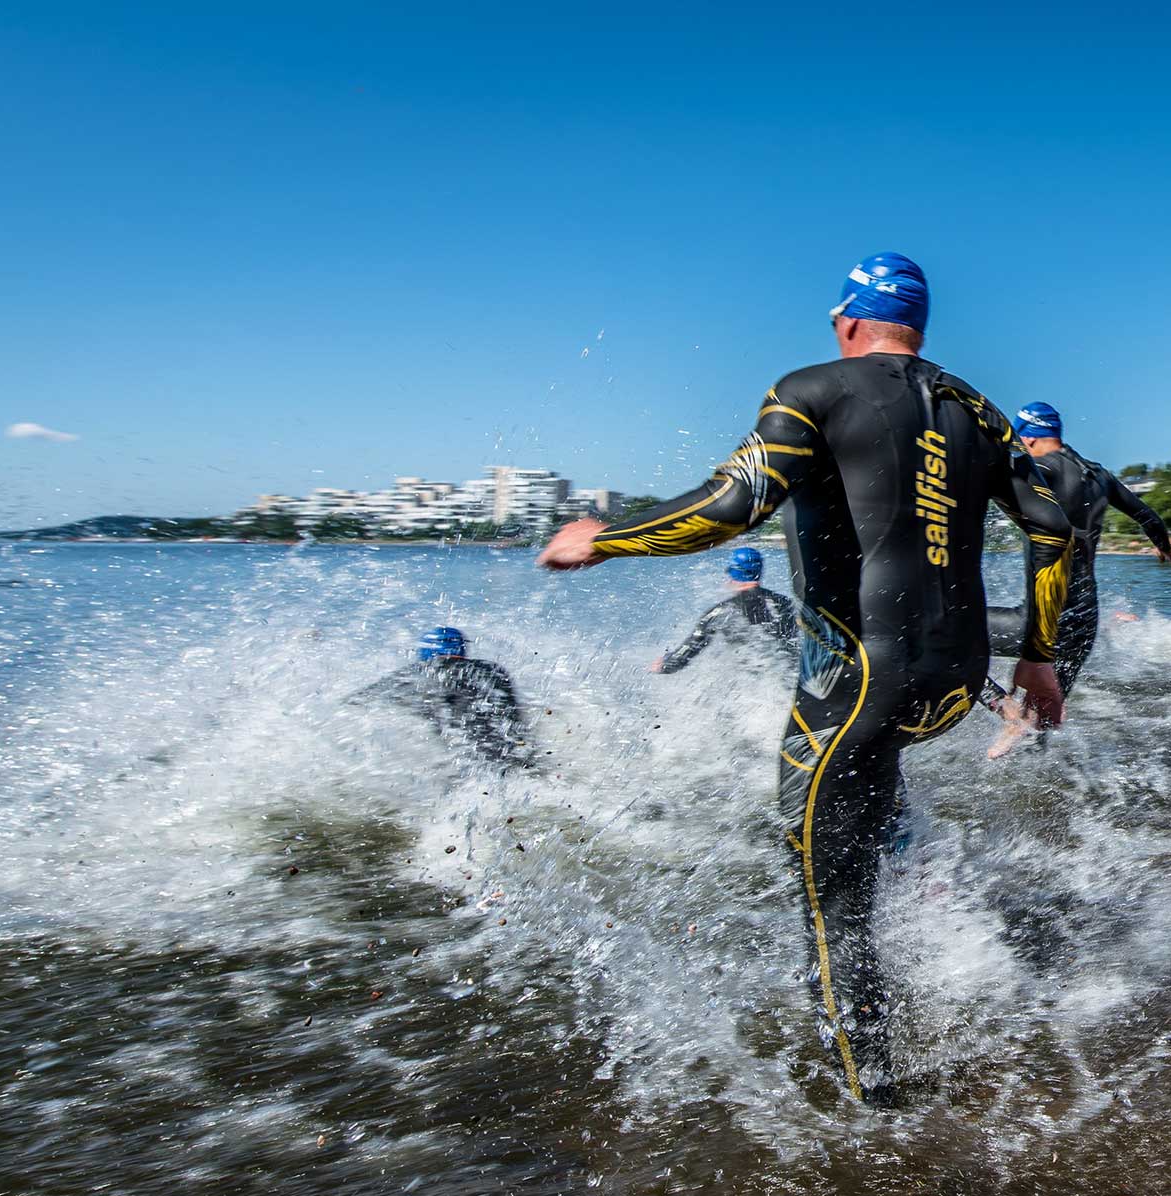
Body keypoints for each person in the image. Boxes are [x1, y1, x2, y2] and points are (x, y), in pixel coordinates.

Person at [535, 252, 1074, 1104]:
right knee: (876, 790)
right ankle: (941, 921)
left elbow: (728, 508)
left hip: (859, 682)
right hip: (957, 681)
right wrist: (1037, 660)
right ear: (917, 326)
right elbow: (1053, 529)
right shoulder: (980, 411)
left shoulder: (813, 388)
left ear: (848, 321)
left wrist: (603, 539)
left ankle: (875, 1106)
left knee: (832, 902)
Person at [978, 401, 1171, 753]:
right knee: (1040, 721)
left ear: (1026, 438)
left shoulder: (1037, 470)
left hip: (1040, 620)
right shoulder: (1098, 475)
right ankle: (1042, 791)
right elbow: (1147, 515)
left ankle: (1003, 708)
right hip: (1084, 619)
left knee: (948, 633)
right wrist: (1166, 547)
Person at [356, 627, 525, 767]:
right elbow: (511, 713)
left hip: (455, 755)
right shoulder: (491, 670)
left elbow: (360, 701)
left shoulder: (416, 674)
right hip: (504, 751)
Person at [652, 547, 797, 674]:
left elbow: (686, 653)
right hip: (789, 676)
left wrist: (663, 665)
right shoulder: (785, 603)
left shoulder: (722, 612)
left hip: (753, 683)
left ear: (733, 573)